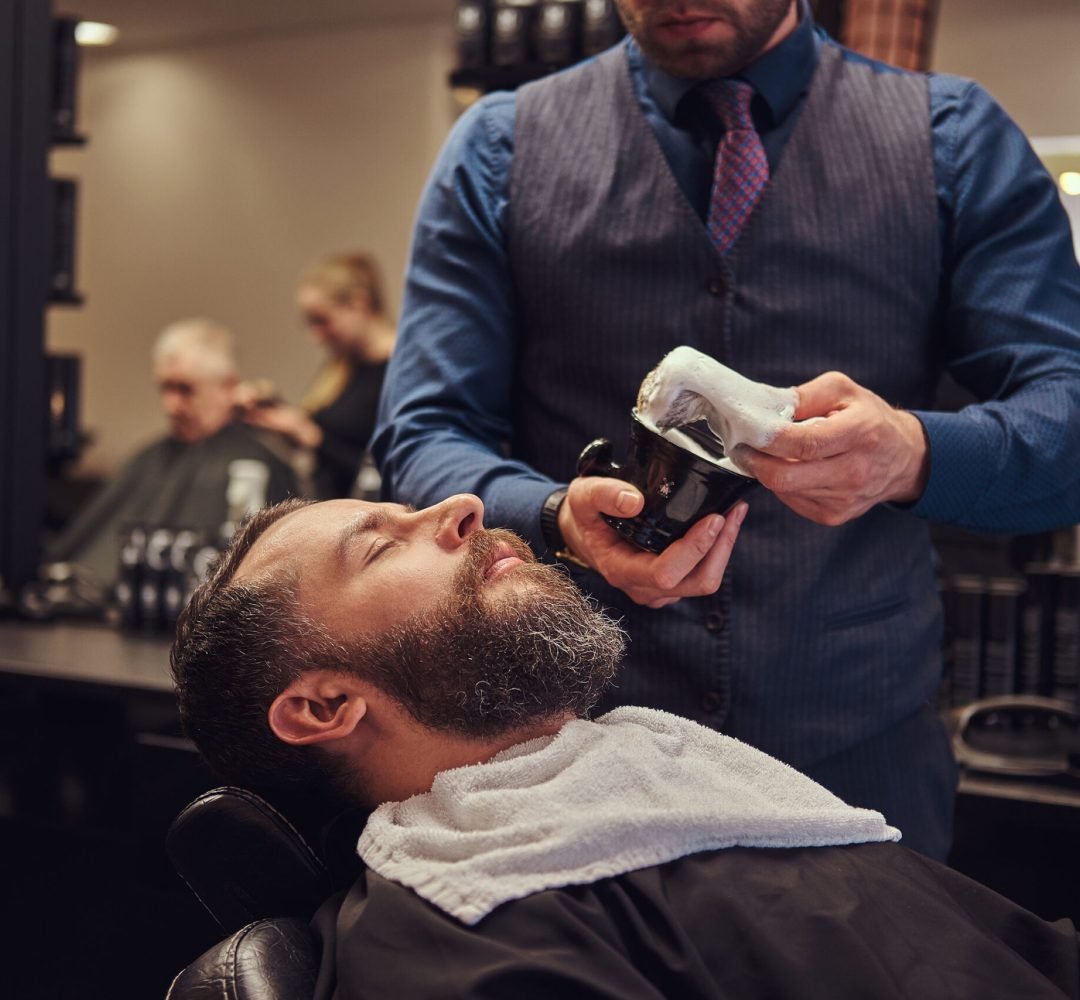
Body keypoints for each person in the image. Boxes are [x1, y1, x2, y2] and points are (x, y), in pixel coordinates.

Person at [370, 0, 1080, 860]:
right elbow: (424, 431)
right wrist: (553, 516)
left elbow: (1065, 417)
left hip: (859, 757)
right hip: (564, 759)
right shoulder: (500, 146)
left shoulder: (951, 135)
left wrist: (915, 457)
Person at [171, 495, 1080, 999]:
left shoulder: (651, 790)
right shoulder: (463, 933)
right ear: (324, 704)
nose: (462, 505)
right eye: (381, 546)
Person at [46, 318, 299, 587]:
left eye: (184, 390)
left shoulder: (255, 464)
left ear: (227, 387)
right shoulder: (148, 459)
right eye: (165, 389)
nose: (170, 406)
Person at [239, 251, 395, 500]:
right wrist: (273, 406)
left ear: (359, 304)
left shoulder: (400, 373)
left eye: (322, 321)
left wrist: (311, 437)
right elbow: (329, 434)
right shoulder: (341, 369)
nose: (315, 336)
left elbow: (382, 473)